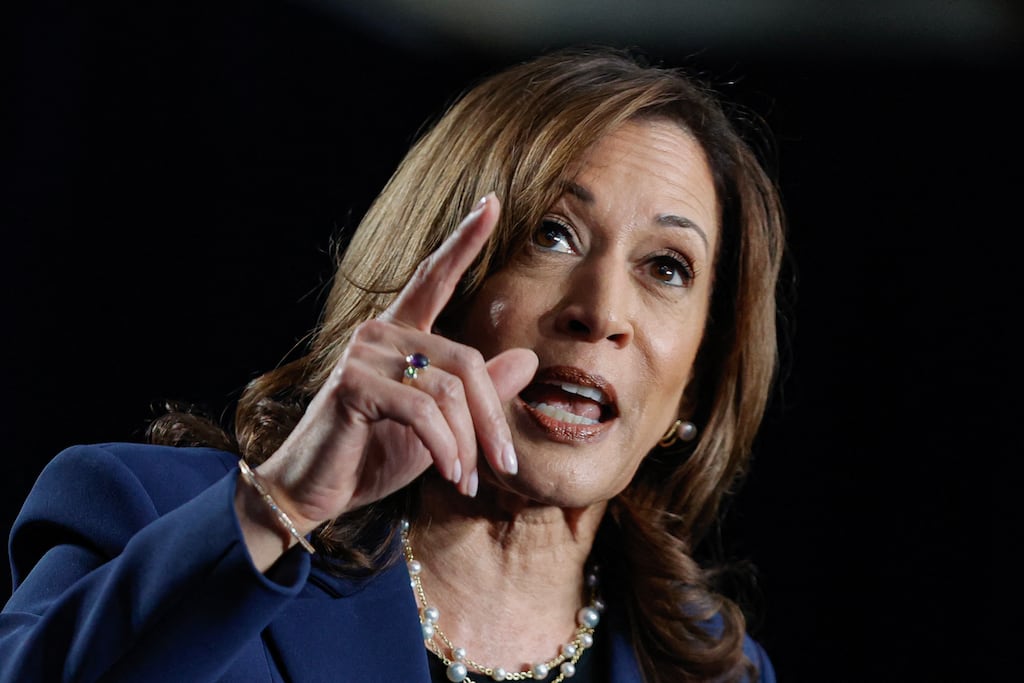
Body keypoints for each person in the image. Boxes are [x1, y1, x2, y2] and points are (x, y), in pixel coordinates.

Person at [0, 45, 784, 682]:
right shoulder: (147, 513)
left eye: (668, 267)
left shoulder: (715, 669)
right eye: (551, 232)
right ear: (436, 280)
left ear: (700, 376)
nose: (603, 311)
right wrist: (283, 504)